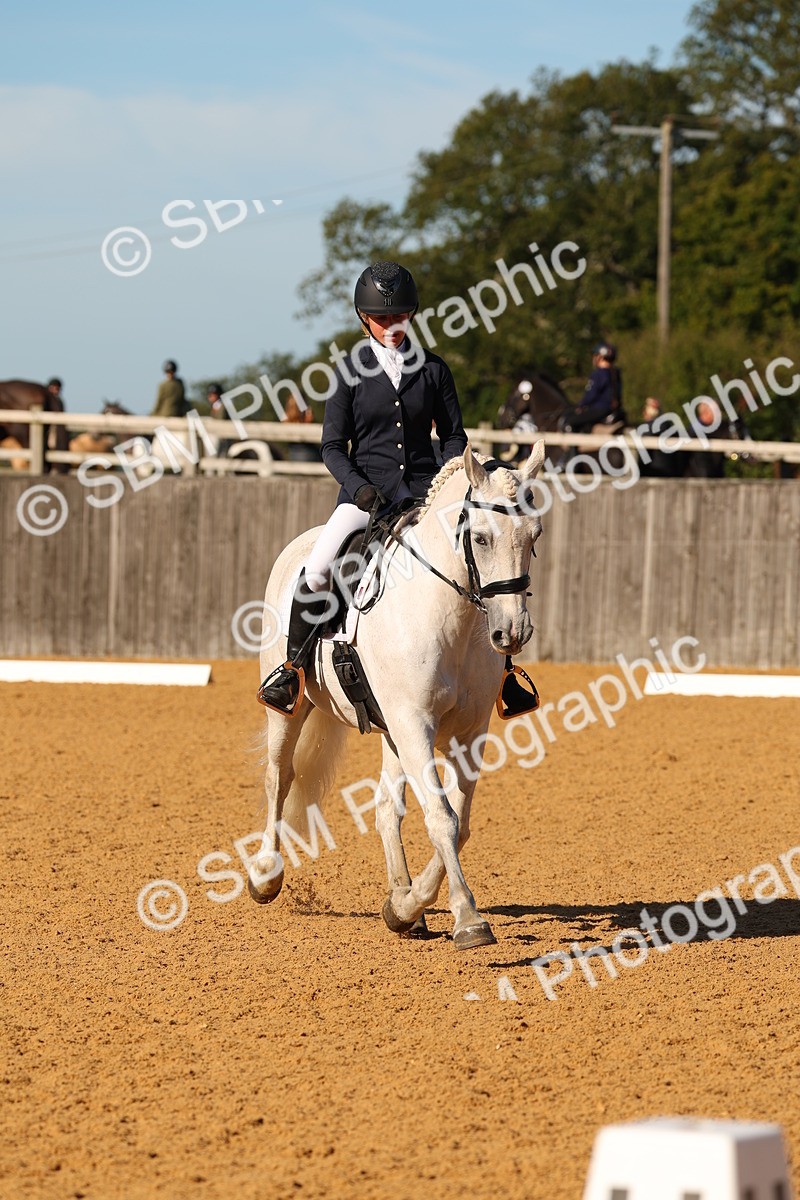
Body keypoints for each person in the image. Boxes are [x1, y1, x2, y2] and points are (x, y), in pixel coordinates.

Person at [257, 260, 468, 715]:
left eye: (400, 317)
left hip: (423, 495)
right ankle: (291, 671)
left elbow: (454, 436)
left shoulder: (434, 370)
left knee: (473, 558)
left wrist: (448, 477)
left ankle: (502, 672)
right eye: (382, 319)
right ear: (363, 319)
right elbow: (332, 445)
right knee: (316, 569)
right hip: (366, 498)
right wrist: (358, 487)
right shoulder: (347, 372)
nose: (392, 326)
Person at [562, 342, 625, 433]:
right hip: (615, 410)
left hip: (600, 409)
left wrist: (581, 406)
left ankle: (573, 447)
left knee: (570, 421)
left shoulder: (598, 374)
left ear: (600, 357)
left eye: (595, 355)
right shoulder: (616, 373)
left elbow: (591, 395)